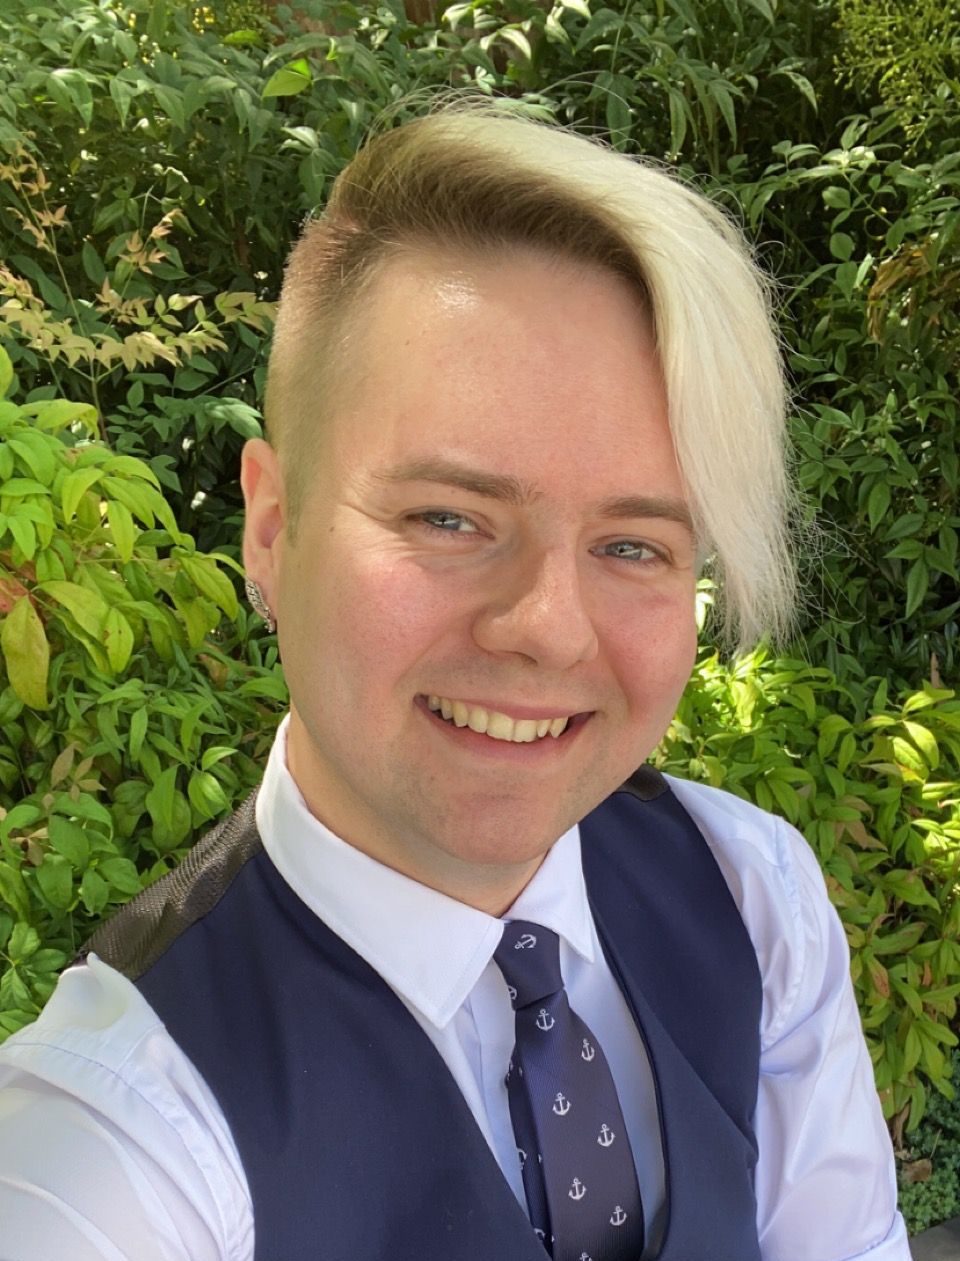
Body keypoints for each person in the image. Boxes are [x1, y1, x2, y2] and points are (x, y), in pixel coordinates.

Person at [0, 103, 909, 1261]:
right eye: (447, 516)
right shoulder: (110, 1147)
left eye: (634, 543)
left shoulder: (754, 899)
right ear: (272, 527)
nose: (545, 627)